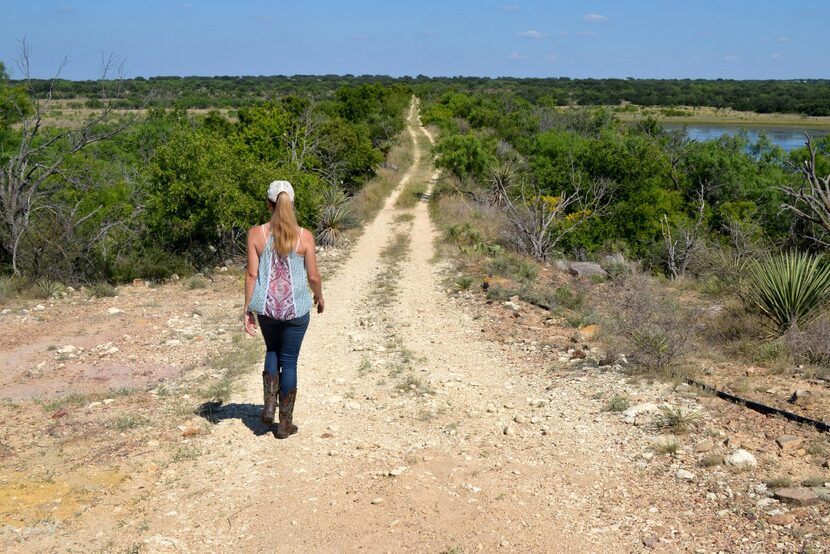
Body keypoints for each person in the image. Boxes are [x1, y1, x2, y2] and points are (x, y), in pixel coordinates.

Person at [243, 180, 324, 439]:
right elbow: (313, 276)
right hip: (296, 309)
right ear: (292, 204)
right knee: (289, 361)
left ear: (269, 205)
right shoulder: (304, 236)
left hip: (267, 309)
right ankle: (284, 423)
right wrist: (319, 297)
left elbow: (252, 274)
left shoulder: (256, 234)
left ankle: (269, 404)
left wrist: (247, 309)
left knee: (272, 350)